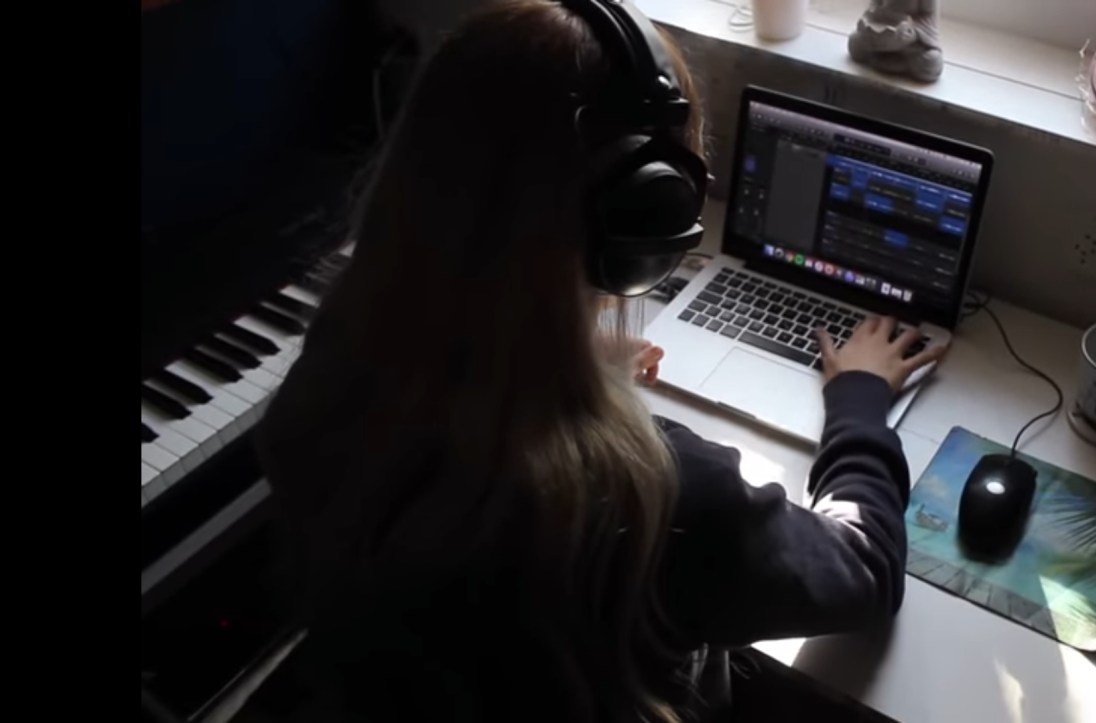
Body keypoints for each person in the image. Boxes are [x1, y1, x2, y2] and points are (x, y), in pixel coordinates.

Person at [256, 1, 946, 721]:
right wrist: (860, 397)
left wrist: (566, 355)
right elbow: (864, 570)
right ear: (645, 220)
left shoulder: (329, 375)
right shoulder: (660, 496)